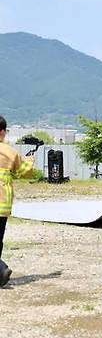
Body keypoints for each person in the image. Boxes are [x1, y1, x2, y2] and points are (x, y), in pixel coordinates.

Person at [0, 116, 35, 287]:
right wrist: (30, 160)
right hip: (2, 204)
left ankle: (1, 270)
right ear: (2, 132)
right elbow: (25, 172)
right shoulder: (10, 152)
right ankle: (0, 272)